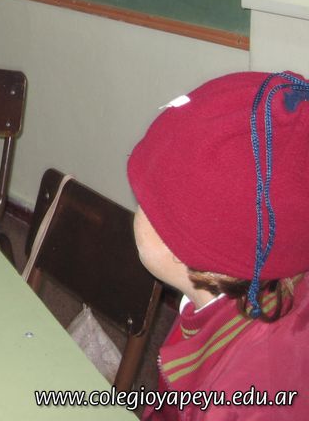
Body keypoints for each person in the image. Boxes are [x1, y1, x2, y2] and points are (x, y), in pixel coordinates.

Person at [127, 71, 309, 420]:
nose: (137, 204)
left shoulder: (244, 398)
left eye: (147, 200)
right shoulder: (231, 305)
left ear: (194, 247)